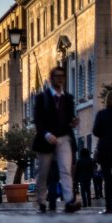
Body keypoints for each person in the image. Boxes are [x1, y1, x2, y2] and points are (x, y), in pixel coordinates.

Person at [32, 67, 80, 213]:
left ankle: (69, 201)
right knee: (43, 173)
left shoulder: (68, 98)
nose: (60, 79)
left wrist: (73, 122)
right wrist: (46, 134)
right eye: (57, 76)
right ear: (51, 79)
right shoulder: (41, 98)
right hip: (46, 139)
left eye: (62, 76)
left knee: (65, 170)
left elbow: (70, 117)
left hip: (64, 138)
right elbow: (38, 120)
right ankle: (41, 201)